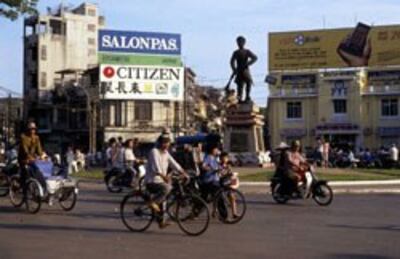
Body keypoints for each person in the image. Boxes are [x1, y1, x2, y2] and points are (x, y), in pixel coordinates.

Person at [145, 133, 188, 228]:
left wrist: (183, 172)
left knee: (165, 198)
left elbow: (174, 163)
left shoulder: (166, 153)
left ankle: (161, 222)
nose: (166, 145)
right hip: (152, 181)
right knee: (167, 188)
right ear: (160, 143)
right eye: (164, 143)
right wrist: (164, 176)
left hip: (161, 181)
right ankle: (152, 202)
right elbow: (156, 167)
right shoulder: (154, 152)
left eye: (167, 143)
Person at [18, 122, 47, 196]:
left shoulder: (36, 138)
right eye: (31, 129)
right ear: (28, 130)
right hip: (23, 159)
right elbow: (25, 150)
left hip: (32, 160)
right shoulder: (23, 137)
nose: (32, 131)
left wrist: (43, 155)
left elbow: (39, 149)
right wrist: (28, 157)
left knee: (37, 171)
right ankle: (24, 190)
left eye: (34, 129)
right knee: (26, 173)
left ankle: (42, 186)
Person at [230, 36, 258, 103]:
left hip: (245, 70)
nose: (239, 43)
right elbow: (231, 62)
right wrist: (234, 70)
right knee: (240, 85)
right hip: (239, 71)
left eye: (241, 42)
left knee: (248, 83)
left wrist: (248, 63)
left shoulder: (247, 51)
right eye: (238, 42)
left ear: (244, 43)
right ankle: (239, 98)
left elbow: (255, 58)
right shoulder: (236, 52)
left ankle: (247, 97)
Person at [219, 152, 240, 218]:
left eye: (226, 158)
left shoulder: (228, 166)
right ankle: (215, 212)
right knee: (219, 198)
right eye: (224, 158)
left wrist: (232, 174)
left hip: (227, 183)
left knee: (232, 197)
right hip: (221, 183)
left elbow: (230, 174)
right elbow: (219, 175)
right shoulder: (218, 166)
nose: (225, 159)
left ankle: (234, 213)